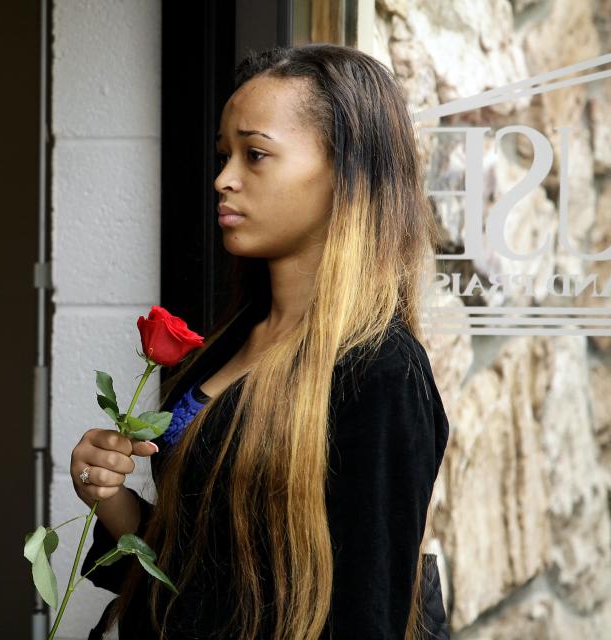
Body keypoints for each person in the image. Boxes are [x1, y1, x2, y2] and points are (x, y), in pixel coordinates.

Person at [69, 44, 451, 639]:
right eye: (225, 155)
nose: (224, 179)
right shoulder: (228, 343)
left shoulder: (376, 372)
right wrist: (112, 497)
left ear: (346, 175)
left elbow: (366, 613)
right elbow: (201, 581)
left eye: (256, 155)